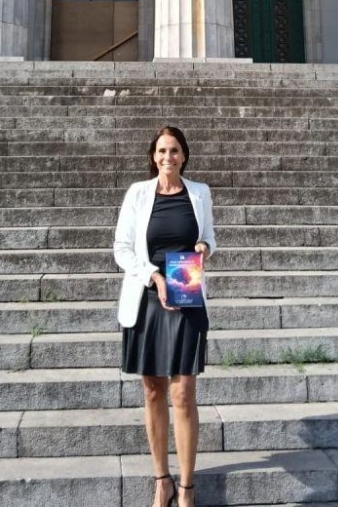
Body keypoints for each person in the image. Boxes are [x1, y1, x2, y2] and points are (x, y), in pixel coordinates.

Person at [114, 126, 215, 507]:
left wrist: (205, 246)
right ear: (153, 156)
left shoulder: (199, 193)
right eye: (161, 151)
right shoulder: (138, 194)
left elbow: (210, 237)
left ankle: (187, 487)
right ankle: (162, 481)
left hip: (186, 290)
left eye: (174, 150)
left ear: (184, 155)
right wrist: (153, 277)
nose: (167, 157)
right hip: (148, 295)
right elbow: (122, 248)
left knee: (183, 392)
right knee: (153, 389)